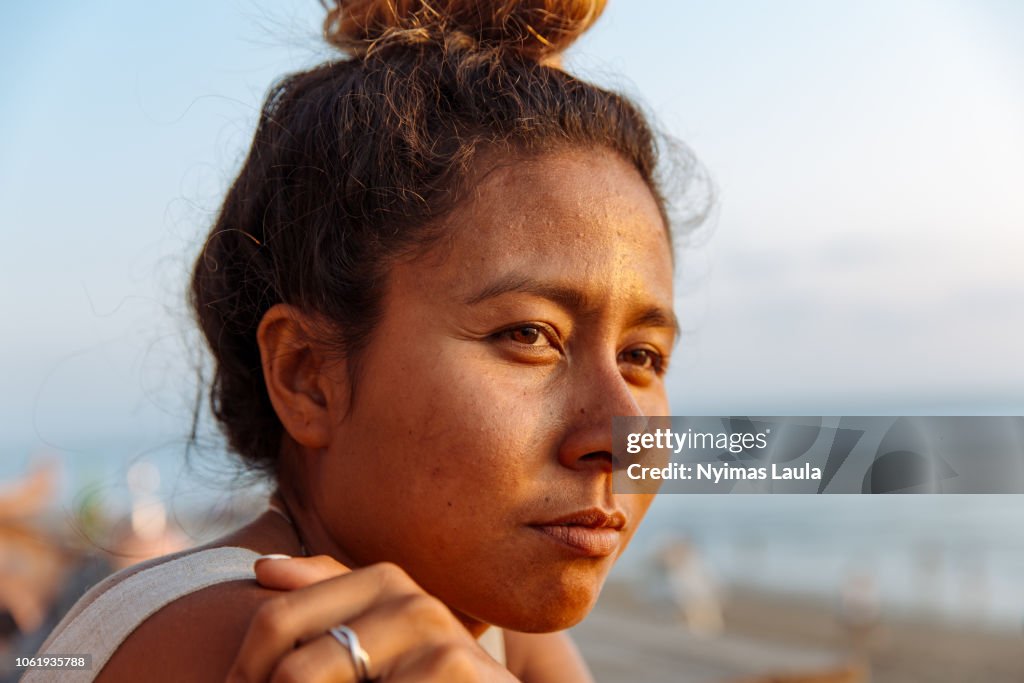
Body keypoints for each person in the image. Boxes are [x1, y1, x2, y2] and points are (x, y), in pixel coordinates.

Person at [28, 0, 697, 680]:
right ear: (307, 373)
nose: (622, 435)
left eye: (641, 356)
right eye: (529, 334)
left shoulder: (488, 629)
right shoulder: (250, 643)